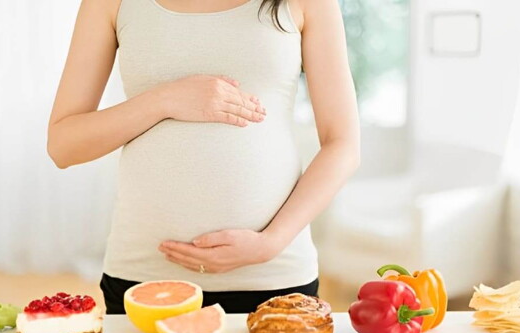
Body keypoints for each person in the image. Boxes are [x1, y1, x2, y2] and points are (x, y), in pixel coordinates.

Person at [47, 0, 360, 314]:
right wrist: (164, 100)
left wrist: (271, 243)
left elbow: (342, 143)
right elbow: (63, 145)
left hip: (274, 276)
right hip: (145, 278)